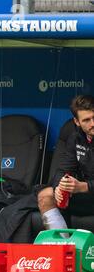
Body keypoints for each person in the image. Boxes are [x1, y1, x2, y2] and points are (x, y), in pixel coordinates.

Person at [37, 95, 94, 230]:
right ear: (77, 122)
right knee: (45, 196)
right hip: (89, 194)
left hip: (88, 188)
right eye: (86, 120)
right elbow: (63, 170)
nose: (93, 123)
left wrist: (84, 186)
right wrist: (58, 187)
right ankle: (63, 246)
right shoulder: (76, 138)